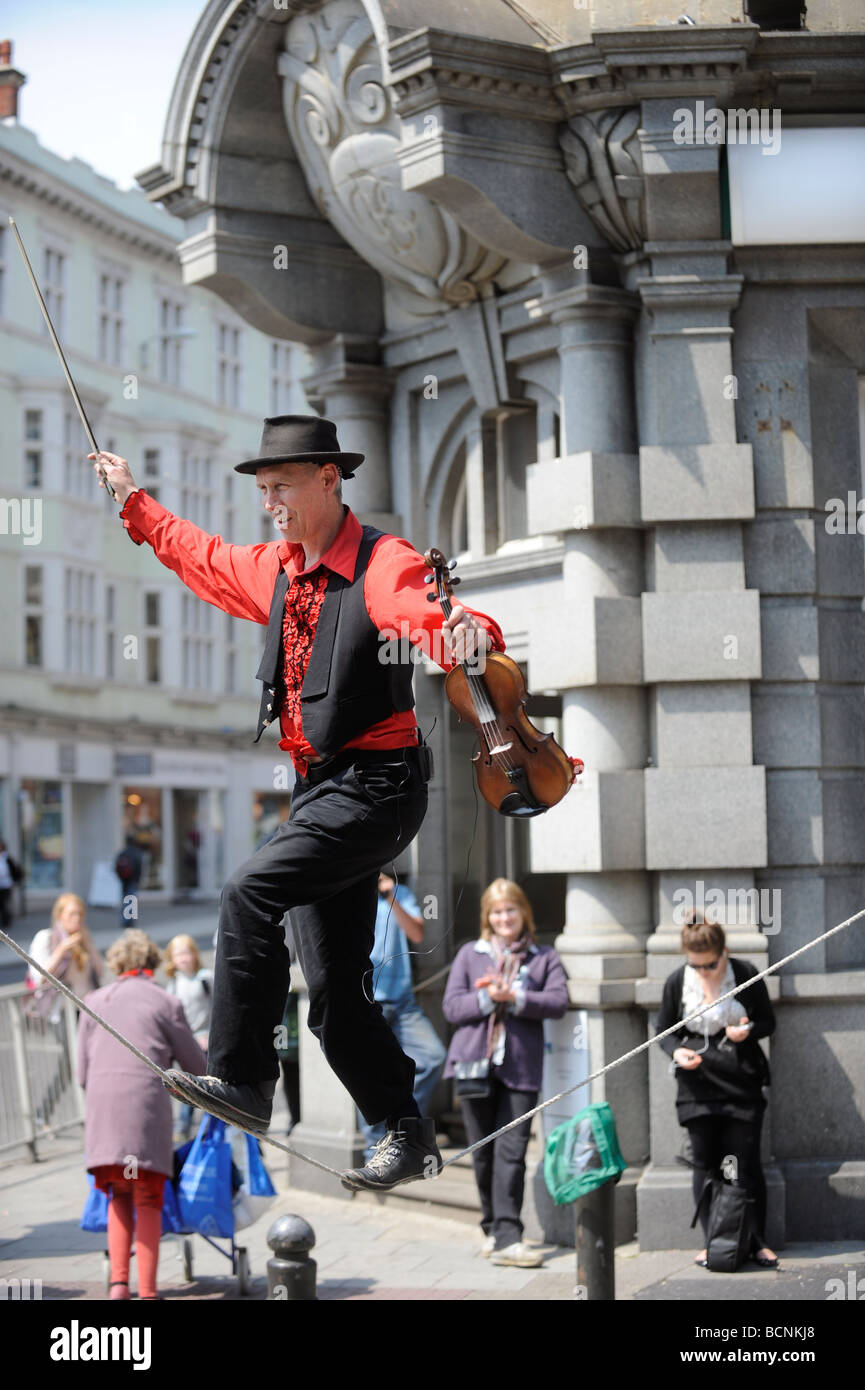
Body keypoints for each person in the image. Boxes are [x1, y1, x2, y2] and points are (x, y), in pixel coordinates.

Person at [89, 414, 503, 1192]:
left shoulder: (381, 562)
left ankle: (243, 1081)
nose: (269, 499)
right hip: (321, 792)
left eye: (280, 484)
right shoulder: (275, 568)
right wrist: (130, 499)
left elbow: (429, 620)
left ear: (327, 479)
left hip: (379, 785)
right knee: (333, 994)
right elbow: (198, 555)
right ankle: (404, 1132)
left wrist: (466, 632)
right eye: (262, 488)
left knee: (249, 890)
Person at [442, 878, 569, 1267]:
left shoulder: (543, 957)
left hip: (520, 1067)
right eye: (496, 912)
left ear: (522, 912)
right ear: (488, 917)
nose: (504, 917)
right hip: (473, 1065)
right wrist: (486, 997)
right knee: (482, 1154)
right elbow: (452, 1008)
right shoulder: (470, 954)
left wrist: (515, 997)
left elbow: (559, 1001)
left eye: (510, 910)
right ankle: (492, 1229)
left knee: (511, 1153)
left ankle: (510, 1236)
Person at [77, 930, 206, 1300]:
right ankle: (147, 1291)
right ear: (150, 963)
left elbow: (81, 1074)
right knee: (148, 1197)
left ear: (117, 963)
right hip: (145, 1109)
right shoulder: (165, 1002)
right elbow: (194, 1065)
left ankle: (119, 1285)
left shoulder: (94, 1000)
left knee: (119, 1194)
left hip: (105, 1111)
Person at [655, 910, 778, 1269]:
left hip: (741, 1079)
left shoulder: (745, 974)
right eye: (697, 966)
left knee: (745, 1164)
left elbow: (769, 1021)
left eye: (710, 965)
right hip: (697, 1084)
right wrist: (676, 1050)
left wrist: (749, 1030)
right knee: (706, 1165)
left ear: (723, 951)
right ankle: (713, 1242)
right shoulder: (679, 981)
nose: (704, 972)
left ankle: (756, 1241)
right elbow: (664, 1030)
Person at [357, 868, 446, 1161]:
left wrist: (392, 896)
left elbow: (418, 933)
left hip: (403, 1000)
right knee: (368, 1074)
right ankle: (377, 1149)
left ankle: (400, 1124)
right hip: (370, 1001)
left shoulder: (401, 894)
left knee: (433, 1057)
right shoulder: (353, 896)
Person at [163, 934, 213, 1140]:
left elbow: (218, 1007)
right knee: (187, 1083)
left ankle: (210, 1123)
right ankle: (184, 1124)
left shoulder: (205, 978)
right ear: (171, 959)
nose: (183, 958)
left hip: (206, 1038)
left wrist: (211, 1035)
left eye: (186, 953)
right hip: (187, 1041)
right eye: (178, 954)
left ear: (194, 954)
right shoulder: (173, 984)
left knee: (208, 1082)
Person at [27, 893, 103, 1023]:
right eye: (72, 914)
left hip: (87, 1007)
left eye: (80, 914)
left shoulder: (84, 940)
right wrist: (61, 950)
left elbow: (100, 971)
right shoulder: (46, 937)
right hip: (61, 1010)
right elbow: (39, 976)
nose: (77, 918)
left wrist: (89, 944)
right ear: (60, 915)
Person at [114, 836, 143, 927]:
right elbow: (139, 868)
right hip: (132, 880)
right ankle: (129, 920)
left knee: (125, 900)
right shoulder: (136, 853)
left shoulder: (123, 853)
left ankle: (125, 920)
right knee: (131, 900)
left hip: (124, 880)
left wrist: (120, 878)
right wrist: (138, 879)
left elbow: (116, 867)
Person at [0, 839, 23, 928]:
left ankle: (6, 922)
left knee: (5, 904)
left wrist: (14, 881)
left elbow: (16, 871)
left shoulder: (7, 858)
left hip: (6, 885)